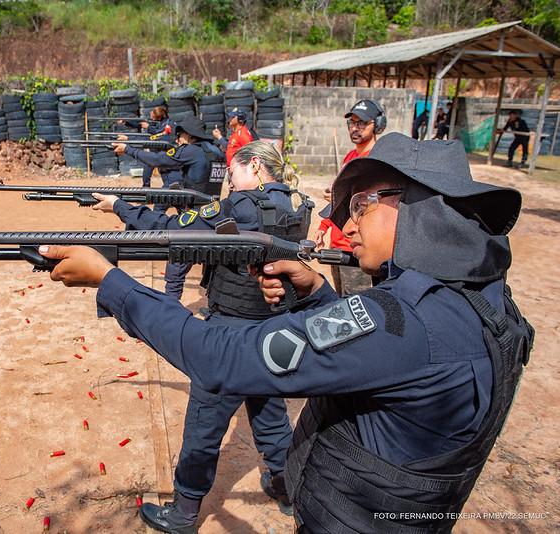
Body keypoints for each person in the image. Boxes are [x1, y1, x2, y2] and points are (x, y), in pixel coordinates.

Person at [39, 133, 533, 533]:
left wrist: (111, 282)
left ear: (416, 206)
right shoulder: (483, 302)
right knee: (268, 417)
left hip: (350, 521)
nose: (347, 224)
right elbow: (388, 355)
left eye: (360, 204)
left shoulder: (403, 319)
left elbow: (219, 359)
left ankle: (186, 509)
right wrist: (318, 293)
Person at [90, 141, 313, 532]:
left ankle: (183, 514)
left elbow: (168, 230)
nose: (229, 180)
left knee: (204, 427)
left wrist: (118, 206)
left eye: (234, 172)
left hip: (230, 332)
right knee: (269, 413)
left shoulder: (238, 207)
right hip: (275, 328)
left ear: (255, 166)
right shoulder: (298, 206)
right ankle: (285, 487)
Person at [114, 116, 215, 298]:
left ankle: (170, 310)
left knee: (177, 265)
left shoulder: (192, 151)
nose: (178, 139)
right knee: (212, 263)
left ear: (189, 135)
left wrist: (129, 150)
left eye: (181, 135)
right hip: (214, 214)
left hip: (195, 218)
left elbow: (158, 160)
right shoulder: (216, 151)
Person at [314, 99, 385, 296]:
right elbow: (341, 200)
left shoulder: (376, 161)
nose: (355, 128)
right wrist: (323, 227)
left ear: (377, 125)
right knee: (340, 300)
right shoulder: (350, 158)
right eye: (352, 123)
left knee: (357, 306)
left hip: (357, 247)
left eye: (362, 123)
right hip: (338, 244)